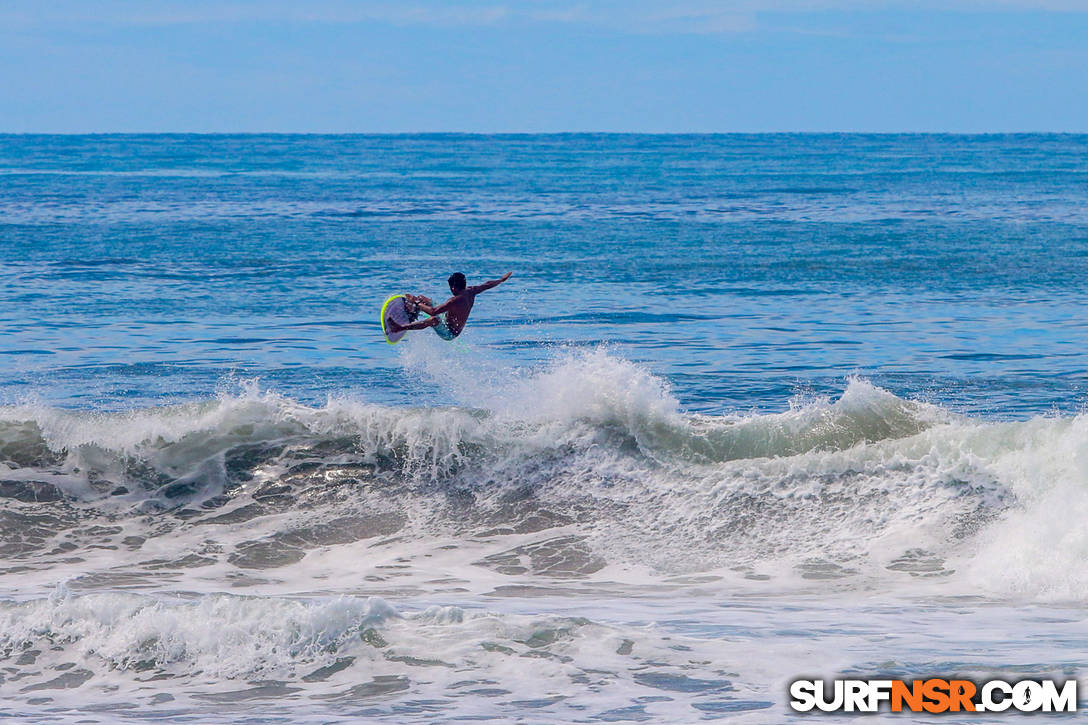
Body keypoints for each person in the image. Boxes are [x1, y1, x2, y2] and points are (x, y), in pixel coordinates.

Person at [388, 271, 513, 340]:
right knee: (422, 298)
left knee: (433, 319)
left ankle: (399, 328)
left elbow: (433, 311)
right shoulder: (471, 291)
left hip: (450, 332)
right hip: (446, 317)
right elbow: (487, 284)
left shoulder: (455, 301)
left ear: (453, 287)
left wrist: (416, 303)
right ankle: (412, 313)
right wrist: (501, 280)